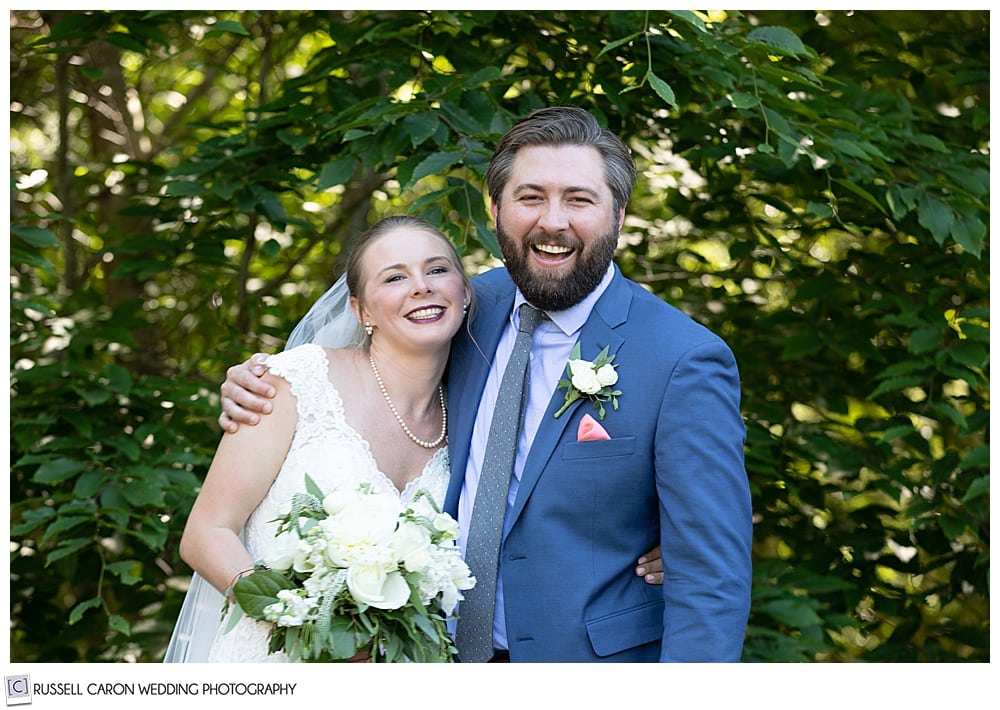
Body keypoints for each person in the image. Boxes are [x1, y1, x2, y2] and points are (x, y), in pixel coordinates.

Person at [221, 106, 752, 662]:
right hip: (430, 660)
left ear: (618, 214)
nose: (553, 221)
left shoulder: (682, 359)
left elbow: (711, 576)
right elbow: (359, 374)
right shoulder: (458, 307)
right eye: (530, 198)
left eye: (579, 199)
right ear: (496, 208)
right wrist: (264, 384)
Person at [166, 216, 472, 662]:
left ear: (464, 291)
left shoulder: (472, 414)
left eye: (438, 269)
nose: (421, 286)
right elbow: (205, 534)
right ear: (361, 311)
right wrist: (310, 626)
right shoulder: (294, 382)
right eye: (394, 277)